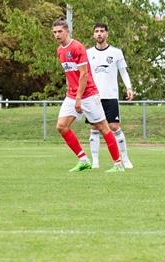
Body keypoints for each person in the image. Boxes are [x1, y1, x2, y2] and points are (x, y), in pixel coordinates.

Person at [53, 18, 124, 173]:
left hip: (88, 95)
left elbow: (84, 75)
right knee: (61, 126)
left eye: (60, 31)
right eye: (54, 32)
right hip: (72, 95)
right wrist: (70, 92)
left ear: (67, 31)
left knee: (103, 128)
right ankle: (83, 159)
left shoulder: (77, 47)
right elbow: (69, 74)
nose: (57, 35)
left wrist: (78, 98)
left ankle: (118, 164)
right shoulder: (60, 50)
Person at [86, 22, 135, 169]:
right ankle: (95, 161)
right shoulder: (88, 53)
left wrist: (129, 87)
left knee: (114, 126)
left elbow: (123, 71)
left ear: (107, 34)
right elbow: (84, 73)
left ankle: (125, 158)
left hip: (111, 95)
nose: (99, 34)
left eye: (102, 31)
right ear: (94, 35)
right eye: (97, 31)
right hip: (93, 96)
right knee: (95, 127)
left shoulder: (116, 52)